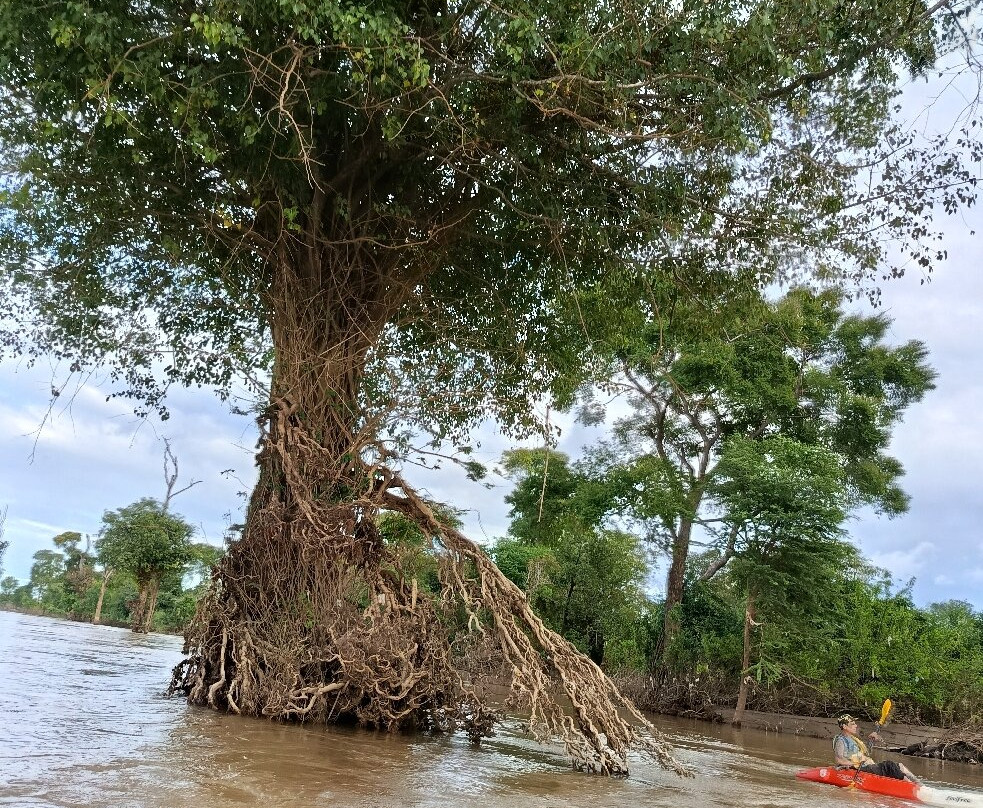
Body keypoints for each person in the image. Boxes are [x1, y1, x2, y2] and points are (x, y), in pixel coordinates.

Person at [833, 713, 920, 783]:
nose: (855, 725)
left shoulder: (853, 739)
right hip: (857, 768)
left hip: (864, 766)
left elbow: (865, 753)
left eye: (855, 723)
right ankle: (910, 785)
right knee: (889, 765)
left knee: (899, 765)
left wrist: (871, 740)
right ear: (844, 726)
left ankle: (919, 784)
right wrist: (852, 765)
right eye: (852, 724)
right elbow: (839, 760)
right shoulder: (841, 740)